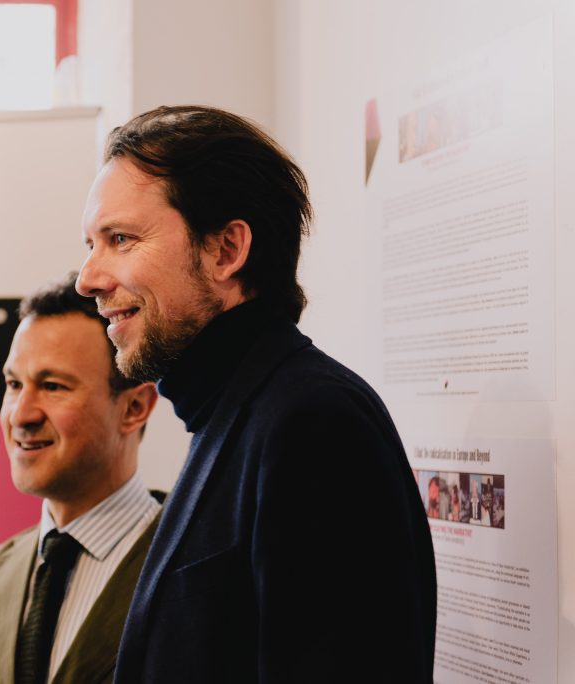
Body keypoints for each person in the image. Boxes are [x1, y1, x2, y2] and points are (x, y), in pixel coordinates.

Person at [76, 105, 437, 682]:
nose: (87, 279)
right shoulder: (233, 414)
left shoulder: (311, 422)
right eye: (91, 244)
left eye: (120, 239)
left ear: (226, 251)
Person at [0, 274, 161, 684]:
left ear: (134, 408)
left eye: (52, 386)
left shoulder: (195, 567)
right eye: (14, 384)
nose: (21, 414)